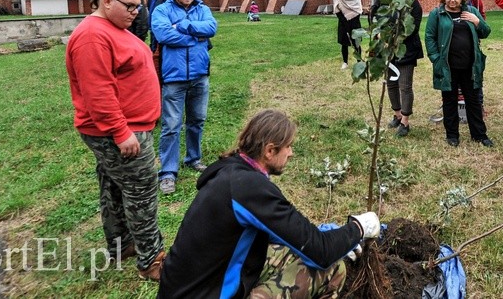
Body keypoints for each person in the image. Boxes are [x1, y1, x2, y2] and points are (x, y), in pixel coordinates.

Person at [157, 109, 380, 298]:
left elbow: (292, 235)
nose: (291, 153)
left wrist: (330, 238)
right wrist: (358, 228)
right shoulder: (251, 189)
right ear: (270, 150)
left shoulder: (231, 171)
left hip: (183, 289)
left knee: (286, 247)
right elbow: (320, 252)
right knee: (332, 268)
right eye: (288, 147)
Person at [65, 0, 165, 280]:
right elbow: (98, 93)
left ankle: (122, 245)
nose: (136, 12)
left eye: (138, 6)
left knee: (113, 186)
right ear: (107, 1)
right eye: (130, 6)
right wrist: (121, 133)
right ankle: (152, 260)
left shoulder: (112, 29)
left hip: (128, 126)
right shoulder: (92, 37)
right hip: (120, 131)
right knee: (142, 191)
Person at [151, 0, 218, 195]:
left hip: (200, 75)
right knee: (171, 126)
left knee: (197, 120)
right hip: (174, 78)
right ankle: (168, 172)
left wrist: (184, 25)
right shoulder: (162, 10)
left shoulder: (202, 8)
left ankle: (193, 159)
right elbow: (163, 34)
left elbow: (211, 28)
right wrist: (196, 37)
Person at [425, 0, 493, 147]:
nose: (452, 0)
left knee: (473, 101)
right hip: (448, 66)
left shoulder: (470, 11)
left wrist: (476, 21)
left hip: (470, 66)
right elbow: (429, 37)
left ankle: (479, 134)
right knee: (449, 100)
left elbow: (485, 32)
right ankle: (452, 135)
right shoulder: (437, 14)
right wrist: (436, 58)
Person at [370, 0, 424, 138]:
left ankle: (405, 121)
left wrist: (395, 39)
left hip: (406, 49)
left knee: (405, 85)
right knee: (391, 83)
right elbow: (374, 17)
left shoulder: (412, 2)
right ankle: (397, 114)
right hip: (387, 49)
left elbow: (412, 28)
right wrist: (380, 36)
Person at [333, 0, 362, 70]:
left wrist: (353, 19)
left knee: (356, 43)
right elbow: (337, 9)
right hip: (343, 22)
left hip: (355, 21)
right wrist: (345, 21)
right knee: (344, 43)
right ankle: (345, 62)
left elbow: (358, 9)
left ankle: (359, 62)